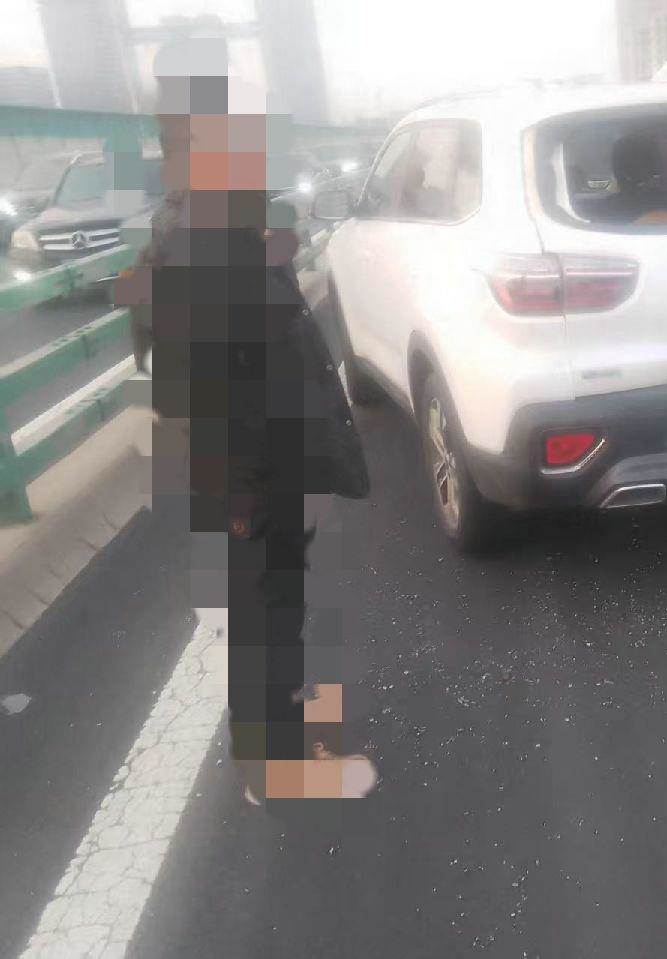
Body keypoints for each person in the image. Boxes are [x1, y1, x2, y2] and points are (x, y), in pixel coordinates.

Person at [117, 39, 376, 803]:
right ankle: (271, 761)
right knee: (265, 601)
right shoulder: (201, 234)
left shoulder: (205, 219)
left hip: (250, 449)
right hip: (247, 457)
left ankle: (277, 731)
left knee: (273, 595)